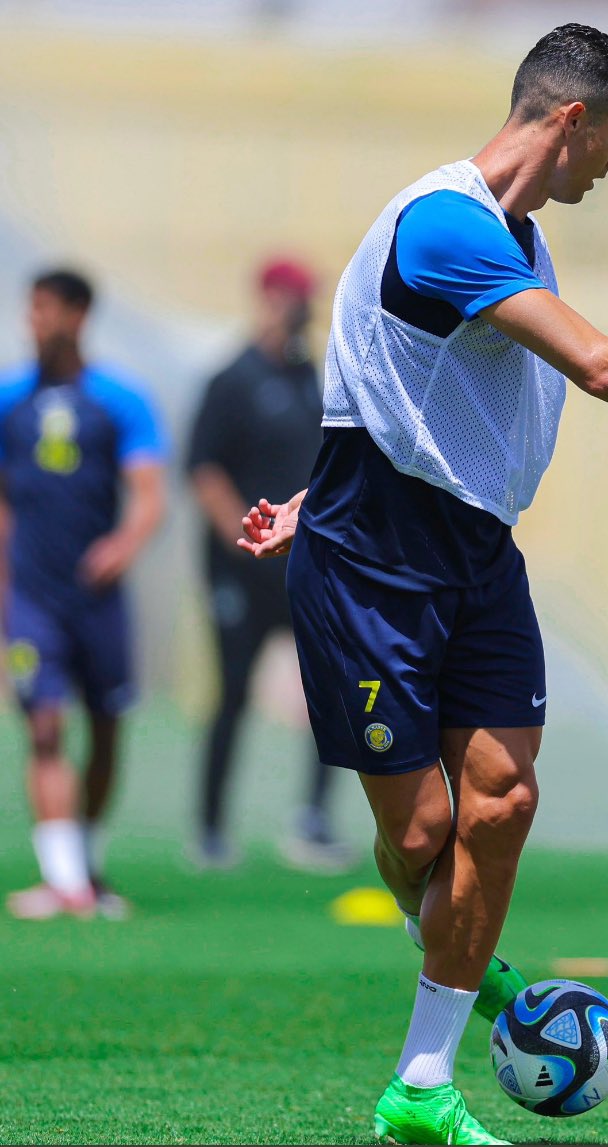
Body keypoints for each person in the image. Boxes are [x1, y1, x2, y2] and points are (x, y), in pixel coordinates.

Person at [238, 24, 608, 1145]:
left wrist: (318, 487)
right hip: (372, 573)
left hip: (475, 559)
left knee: (501, 802)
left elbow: (401, 382)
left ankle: (420, 1088)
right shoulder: (448, 224)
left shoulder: (518, 237)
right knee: (417, 841)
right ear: (568, 122)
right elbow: (597, 367)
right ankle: (463, 953)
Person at [0, 268, 167, 920]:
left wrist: (122, 545)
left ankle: (85, 865)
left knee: (105, 726)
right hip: (33, 597)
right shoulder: (11, 398)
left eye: (46, 309)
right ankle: (64, 881)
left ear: (78, 315)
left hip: (98, 598)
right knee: (43, 724)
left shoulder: (119, 400)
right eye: (31, 308)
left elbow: (149, 495)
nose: (35, 321)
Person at [186, 258, 353, 872]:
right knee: (230, 694)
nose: (296, 309)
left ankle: (311, 822)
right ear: (264, 298)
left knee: (328, 692)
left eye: (303, 299)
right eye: (287, 298)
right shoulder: (232, 378)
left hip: (305, 565)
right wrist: (248, 536)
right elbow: (204, 470)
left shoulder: (315, 378)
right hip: (241, 570)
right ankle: (209, 829)